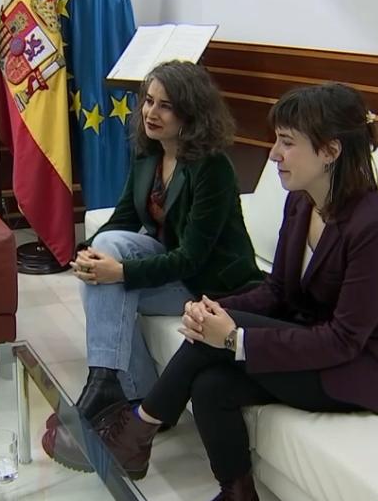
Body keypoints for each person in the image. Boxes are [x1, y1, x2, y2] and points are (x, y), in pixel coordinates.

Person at [96, 83, 378, 501]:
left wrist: (235, 338)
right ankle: (237, 497)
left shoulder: (375, 226)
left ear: (330, 151)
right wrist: (216, 308)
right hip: (313, 337)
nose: (273, 154)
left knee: (211, 346)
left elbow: (345, 340)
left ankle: (137, 429)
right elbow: (279, 291)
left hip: (364, 364)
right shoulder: (301, 202)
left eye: (287, 142)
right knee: (211, 384)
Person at [43, 60, 263, 469]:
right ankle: (125, 391)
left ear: (191, 114)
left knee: (110, 275)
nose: (150, 112)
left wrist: (121, 271)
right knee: (101, 265)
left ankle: (111, 389)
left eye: (165, 105)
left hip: (208, 283)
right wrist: (88, 253)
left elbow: (192, 258)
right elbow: (124, 218)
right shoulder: (149, 154)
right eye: (148, 101)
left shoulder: (212, 167)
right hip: (171, 270)